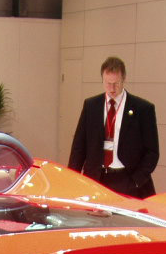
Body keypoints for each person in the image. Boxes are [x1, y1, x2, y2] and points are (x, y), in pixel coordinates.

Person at [68, 56, 159, 198]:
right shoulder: (91, 106)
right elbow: (79, 147)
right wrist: (73, 180)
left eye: (116, 84)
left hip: (127, 179)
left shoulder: (143, 109)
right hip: (97, 178)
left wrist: (136, 181)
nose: (111, 89)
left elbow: (152, 152)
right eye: (107, 83)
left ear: (124, 79)